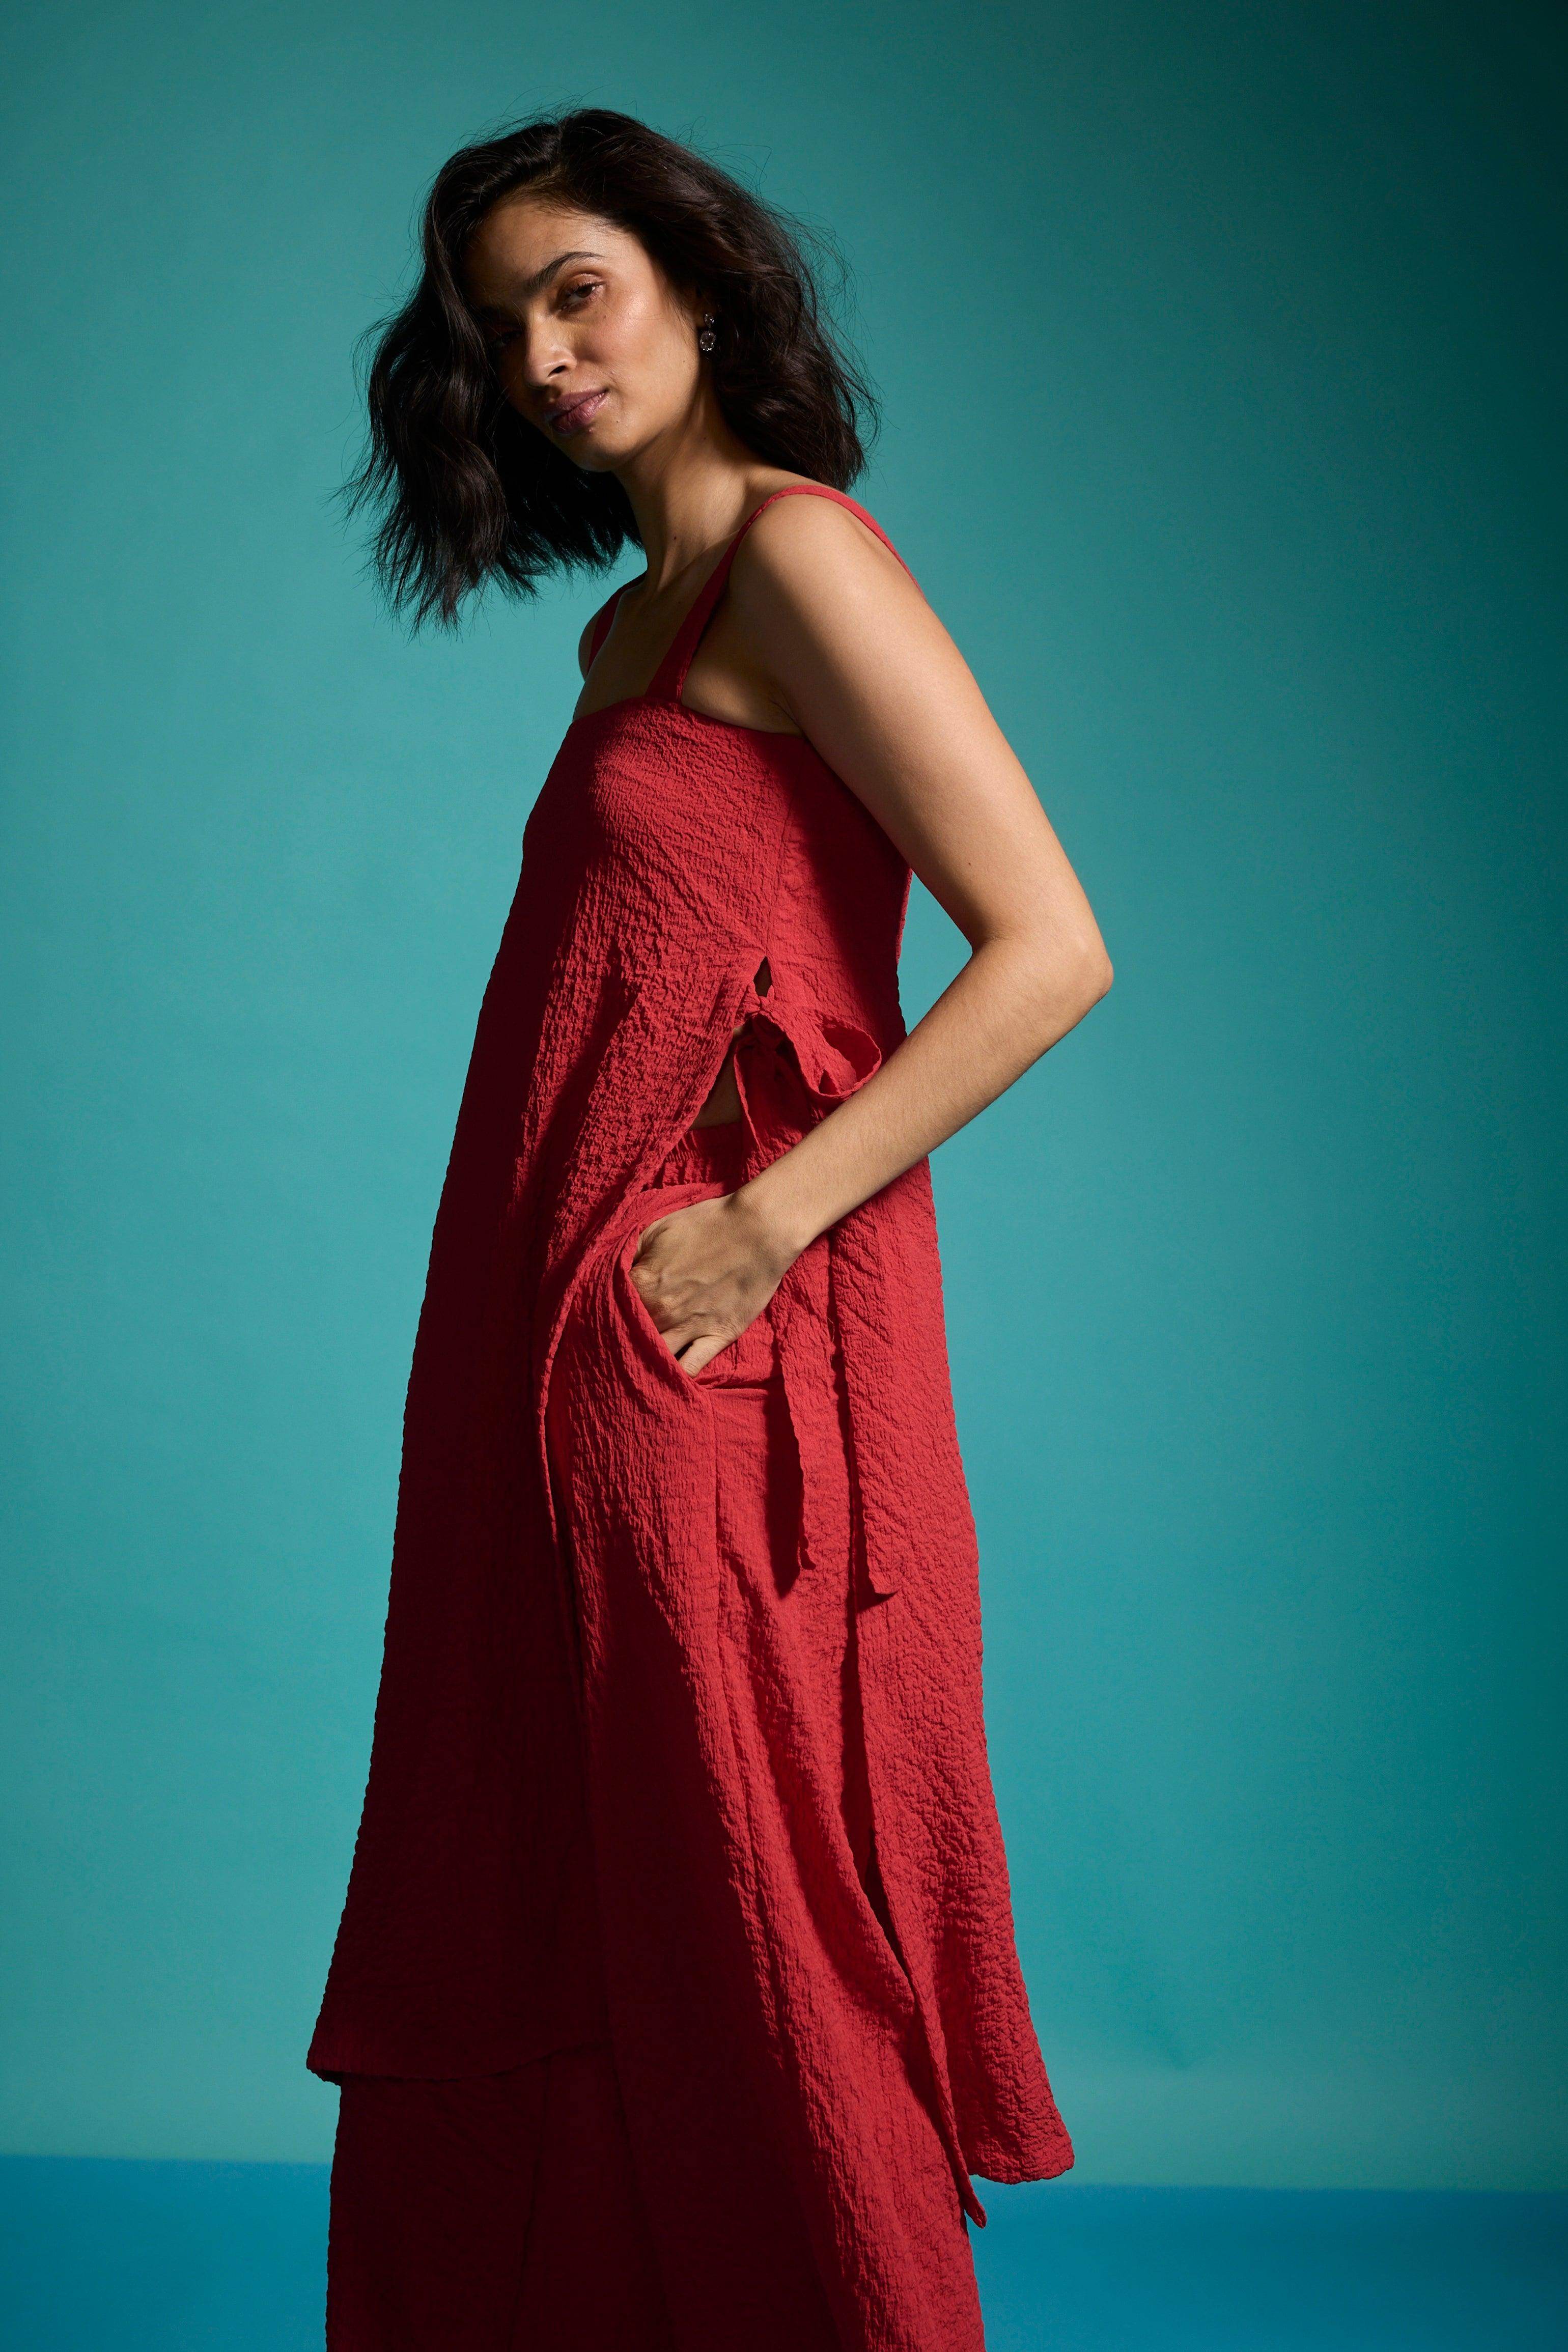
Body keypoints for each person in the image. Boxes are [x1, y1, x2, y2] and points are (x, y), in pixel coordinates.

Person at [309, 104, 1112, 2352]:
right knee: (586, 1899)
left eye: (579, 292)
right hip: (563, 1376)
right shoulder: (629, 633)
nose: (546, 357)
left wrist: (760, 1225)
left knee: (753, 1921)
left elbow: (1049, 946)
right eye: (503, 328)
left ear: (697, 282)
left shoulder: (797, 559)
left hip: (717, 1389)